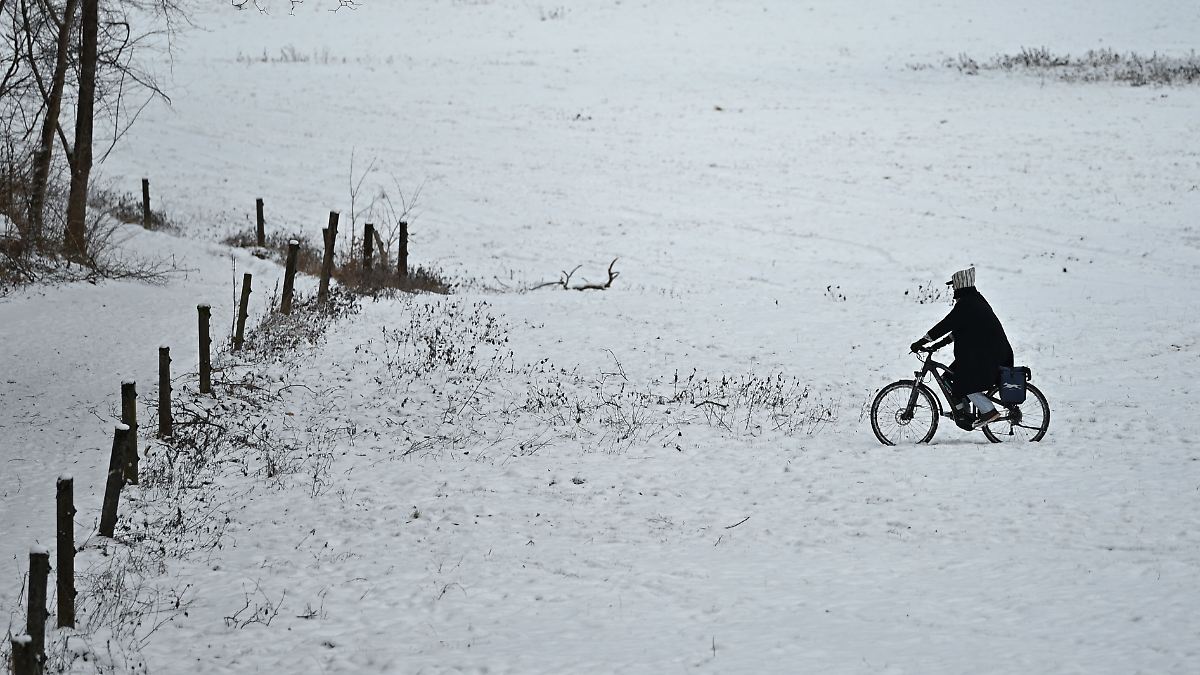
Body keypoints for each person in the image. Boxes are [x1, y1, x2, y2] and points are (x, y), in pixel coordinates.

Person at [909, 267, 1013, 429]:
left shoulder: (967, 304)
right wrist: (936, 345)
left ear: (959, 286)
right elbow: (958, 331)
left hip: (989, 355)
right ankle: (963, 412)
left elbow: (945, 325)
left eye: (953, 286)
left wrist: (921, 342)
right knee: (948, 378)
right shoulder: (974, 300)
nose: (952, 290)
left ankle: (989, 411)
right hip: (988, 353)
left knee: (965, 381)